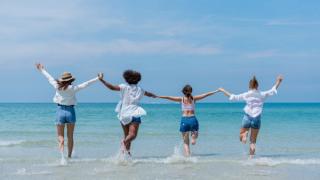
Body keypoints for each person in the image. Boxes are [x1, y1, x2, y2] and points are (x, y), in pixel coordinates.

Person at [36, 63, 100, 162]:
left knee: (60, 137)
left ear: (62, 80)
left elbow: (49, 78)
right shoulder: (73, 88)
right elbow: (86, 84)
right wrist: (97, 78)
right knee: (70, 136)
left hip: (60, 111)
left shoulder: (57, 86)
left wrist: (42, 69)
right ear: (71, 80)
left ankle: (62, 158)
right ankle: (69, 157)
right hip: (70, 111)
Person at [219, 75, 283, 158]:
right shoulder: (262, 94)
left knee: (241, 136)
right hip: (257, 118)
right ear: (257, 86)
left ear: (249, 86)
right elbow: (272, 90)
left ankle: (245, 134)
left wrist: (222, 90)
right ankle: (251, 159)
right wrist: (278, 81)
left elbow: (233, 97)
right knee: (253, 141)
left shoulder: (246, 94)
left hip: (247, 117)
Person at [98, 70, 156, 156]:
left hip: (123, 114)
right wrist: (155, 96)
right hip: (134, 113)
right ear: (138, 79)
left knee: (128, 135)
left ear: (126, 79)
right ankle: (124, 143)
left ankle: (125, 154)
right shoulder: (140, 90)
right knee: (132, 136)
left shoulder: (124, 87)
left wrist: (102, 80)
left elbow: (111, 88)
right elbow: (149, 94)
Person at [157, 85, 219, 156]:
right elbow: (206, 95)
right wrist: (216, 91)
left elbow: (169, 97)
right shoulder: (194, 98)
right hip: (192, 119)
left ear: (183, 92)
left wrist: (158, 96)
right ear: (191, 91)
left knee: (186, 142)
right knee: (195, 133)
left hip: (184, 120)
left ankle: (188, 156)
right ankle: (193, 138)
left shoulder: (181, 99)